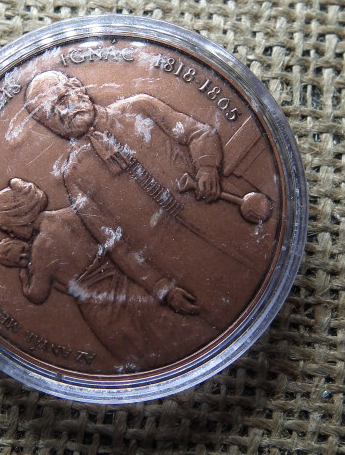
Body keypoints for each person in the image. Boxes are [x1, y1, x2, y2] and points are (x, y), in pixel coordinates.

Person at [23, 70, 231, 318]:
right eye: (51, 115)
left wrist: (206, 168)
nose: (64, 112)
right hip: (179, 260)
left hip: (218, 217)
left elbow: (199, 133)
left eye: (62, 99)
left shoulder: (140, 107)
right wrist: (161, 287)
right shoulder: (75, 176)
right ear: (49, 128)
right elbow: (115, 245)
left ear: (78, 87)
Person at [0, 178, 218, 371]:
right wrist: (163, 287)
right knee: (175, 336)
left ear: (20, 216)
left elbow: (37, 294)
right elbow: (120, 248)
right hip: (132, 290)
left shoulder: (41, 249)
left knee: (146, 362)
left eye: (7, 226)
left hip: (104, 313)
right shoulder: (77, 213)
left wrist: (24, 274)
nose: (9, 232)